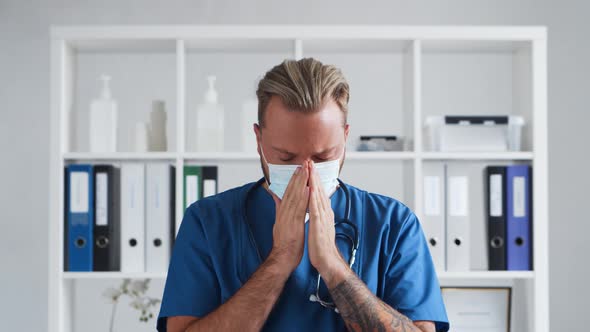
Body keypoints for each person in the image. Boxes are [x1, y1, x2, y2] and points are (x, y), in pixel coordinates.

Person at [157, 58, 449, 332]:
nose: (307, 171)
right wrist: (281, 259)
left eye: (323, 157)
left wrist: (334, 267)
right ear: (259, 140)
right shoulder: (208, 221)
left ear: (345, 138)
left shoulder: (393, 223)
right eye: (286, 158)